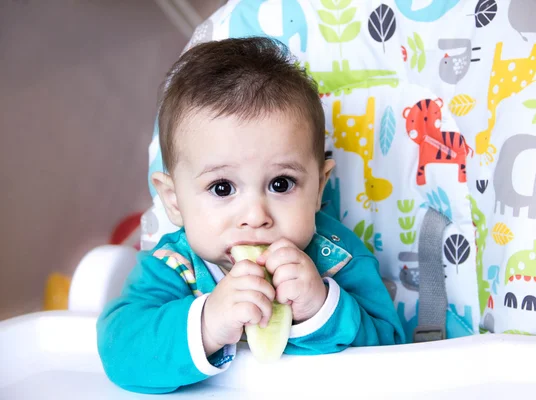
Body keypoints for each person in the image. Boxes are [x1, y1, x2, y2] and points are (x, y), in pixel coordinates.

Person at [97, 37, 405, 394]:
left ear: (319, 187)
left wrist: (321, 307)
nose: (256, 216)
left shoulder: (336, 258)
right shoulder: (173, 266)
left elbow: (392, 354)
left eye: (281, 183)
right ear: (175, 200)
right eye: (223, 188)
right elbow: (120, 353)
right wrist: (208, 323)